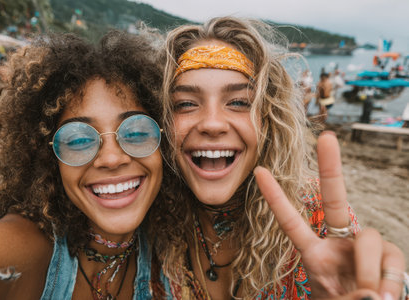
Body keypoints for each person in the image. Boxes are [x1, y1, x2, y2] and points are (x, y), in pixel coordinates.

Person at [154, 16, 407, 299]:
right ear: (160, 120)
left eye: (238, 102)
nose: (212, 124)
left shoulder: (316, 218)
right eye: (186, 104)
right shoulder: (149, 222)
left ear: (268, 120)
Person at [0, 30, 171, 299]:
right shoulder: (21, 251)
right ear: (48, 157)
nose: (112, 158)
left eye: (137, 131)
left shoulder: (178, 246)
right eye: (79, 139)